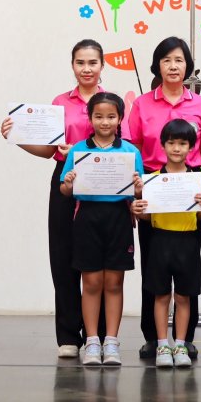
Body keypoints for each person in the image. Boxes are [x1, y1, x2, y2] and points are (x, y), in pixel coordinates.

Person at [0, 39, 107, 357]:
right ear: (72, 65)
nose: (86, 69)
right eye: (80, 62)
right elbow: (49, 150)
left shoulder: (109, 102)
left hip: (102, 183)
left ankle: (100, 335)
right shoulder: (60, 103)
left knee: (99, 261)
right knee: (63, 257)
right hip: (64, 180)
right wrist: (16, 136)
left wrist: (81, 151)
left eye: (92, 62)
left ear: (102, 65)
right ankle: (68, 337)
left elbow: (122, 145)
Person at [127, 36, 201, 360]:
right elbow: (133, 149)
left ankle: (184, 338)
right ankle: (154, 338)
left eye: (179, 60)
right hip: (153, 190)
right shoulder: (142, 104)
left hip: (189, 190)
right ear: (158, 66)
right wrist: (136, 190)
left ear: (188, 65)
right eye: (166, 60)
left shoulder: (200, 105)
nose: (173, 66)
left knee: (187, 265)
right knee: (153, 267)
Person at [60, 92, 144, 366]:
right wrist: (69, 183)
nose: (105, 122)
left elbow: (139, 193)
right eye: (98, 116)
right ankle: (93, 341)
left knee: (114, 283)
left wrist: (139, 189)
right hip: (87, 219)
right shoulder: (78, 151)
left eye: (111, 116)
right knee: (91, 283)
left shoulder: (130, 152)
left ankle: (111, 342)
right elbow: (64, 189)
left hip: (119, 219)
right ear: (90, 118)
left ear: (120, 119)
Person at [131, 119, 201, 368]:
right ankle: (162, 344)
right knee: (161, 295)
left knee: (184, 296)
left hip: (187, 242)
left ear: (191, 147)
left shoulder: (197, 180)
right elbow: (147, 216)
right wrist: (137, 210)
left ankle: (180, 344)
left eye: (183, 144)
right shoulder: (152, 180)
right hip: (160, 241)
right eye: (171, 143)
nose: (177, 148)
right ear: (162, 145)